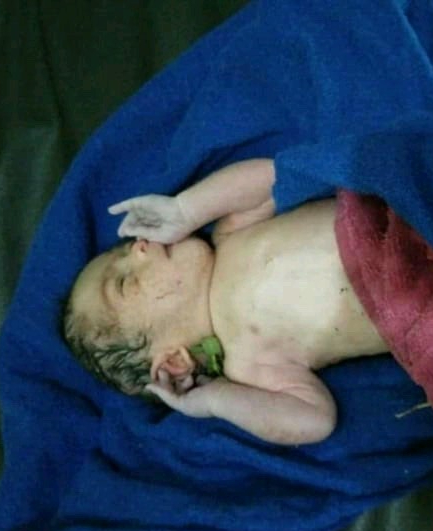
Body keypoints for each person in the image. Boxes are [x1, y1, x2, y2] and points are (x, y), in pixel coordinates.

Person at [63, 159, 389, 445]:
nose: (138, 247)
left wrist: (186, 210)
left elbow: (271, 176)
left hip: (401, 212)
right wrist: (217, 401)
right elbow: (315, 421)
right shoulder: (248, 365)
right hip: (412, 299)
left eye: (123, 250)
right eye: (124, 282)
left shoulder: (229, 235)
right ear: (174, 362)